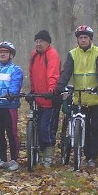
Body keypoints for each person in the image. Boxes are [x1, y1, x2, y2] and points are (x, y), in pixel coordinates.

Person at [55, 25, 98, 168]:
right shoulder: (73, 54)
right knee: (82, 128)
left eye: (85, 37)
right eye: (80, 38)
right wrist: (60, 85)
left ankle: (92, 157)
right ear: (77, 40)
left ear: (90, 39)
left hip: (97, 97)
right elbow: (67, 71)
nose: (83, 40)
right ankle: (85, 154)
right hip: (80, 98)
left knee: (95, 129)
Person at [0, 41, 23, 171]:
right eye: (0, 52)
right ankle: (2, 158)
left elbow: (15, 85)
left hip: (9, 106)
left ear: (11, 55)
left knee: (11, 133)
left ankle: (14, 159)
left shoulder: (16, 70)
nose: (2, 54)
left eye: (5, 52)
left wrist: (11, 93)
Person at [28, 30, 61, 167]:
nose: (38, 44)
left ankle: (48, 155)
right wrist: (32, 90)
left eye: (41, 41)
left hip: (49, 98)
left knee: (46, 127)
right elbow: (31, 74)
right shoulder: (34, 55)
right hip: (38, 97)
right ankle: (38, 152)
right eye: (36, 41)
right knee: (36, 124)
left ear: (48, 43)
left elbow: (53, 73)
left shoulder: (52, 54)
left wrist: (52, 90)